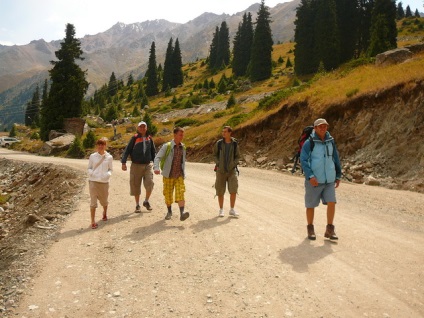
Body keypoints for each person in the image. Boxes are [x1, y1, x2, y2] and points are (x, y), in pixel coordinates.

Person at [300, 118, 342, 240]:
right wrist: (310, 176)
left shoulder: (330, 141)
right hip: (314, 180)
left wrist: (338, 175)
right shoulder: (310, 142)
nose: (323, 128)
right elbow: (304, 160)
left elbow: (335, 158)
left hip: (329, 179)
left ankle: (330, 229)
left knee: (332, 202)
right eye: (320, 126)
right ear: (315, 128)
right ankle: (310, 228)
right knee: (311, 205)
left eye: (325, 126)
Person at [153, 127, 189, 221]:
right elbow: (157, 158)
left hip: (179, 175)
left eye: (182, 135)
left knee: (180, 192)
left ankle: (182, 213)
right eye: (180, 134)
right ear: (175, 135)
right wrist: (156, 168)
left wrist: (183, 172)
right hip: (168, 175)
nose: (182, 136)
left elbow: (183, 161)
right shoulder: (167, 146)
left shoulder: (183, 147)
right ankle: (169, 211)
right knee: (168, 195)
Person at [121, 121, 156, 213]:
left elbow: (153, 152)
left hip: (148, 165)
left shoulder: (149, 138)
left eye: (144, 127)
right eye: (140, 127)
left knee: (150, 183)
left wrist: (156, 164)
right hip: (136, 165)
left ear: (146, 128)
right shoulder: (134, 138)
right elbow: (127, 150)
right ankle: (137, 205)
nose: (142, 128)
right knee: (136, 186)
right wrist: (123, 162)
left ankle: (146, 201)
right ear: (138, 128)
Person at [213, 126, 240, 217]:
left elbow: (237, 156)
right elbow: (214, 155)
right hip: (221, 171)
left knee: (233, 190)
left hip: (232, 171)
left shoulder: (235, 144)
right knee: (220, 190)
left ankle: (232, 209)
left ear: (230, 133)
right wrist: (218, 163)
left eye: (225, 132)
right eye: (222, 131)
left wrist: (234, 163)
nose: (223, 133)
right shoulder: (219, 143)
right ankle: (221, 210)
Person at [87, 138, 113, 229]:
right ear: (96, 146)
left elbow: (111, 169)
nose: (100, 146)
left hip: (104, 182)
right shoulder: (92, 156)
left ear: (105, 146)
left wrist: (107, 175)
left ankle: (104, 213)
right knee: (93, 202)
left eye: (102, 144)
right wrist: (91, 173)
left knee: (104, 201)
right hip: (93, 181)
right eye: (99, 144)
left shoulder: (109, 157)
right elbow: (89, 167)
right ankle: (93, 221)